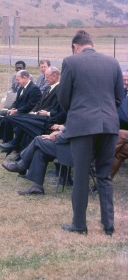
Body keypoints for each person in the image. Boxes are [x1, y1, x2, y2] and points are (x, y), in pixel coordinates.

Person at [58, 30, 123, 236]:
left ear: (75, 47)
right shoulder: (113, 63)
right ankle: (108, 225)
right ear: (91, 44)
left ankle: (79, 224)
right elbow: (119, 97)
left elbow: (64, 98)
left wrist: (77, 112)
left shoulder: (71, 62)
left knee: (81, 175)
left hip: (82, 125)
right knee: (104, 175)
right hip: (109, 125)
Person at [1, 125, 69, 195]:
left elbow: (74, 133)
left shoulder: (78, 114)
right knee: (40, 152)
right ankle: (37, 187)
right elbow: (72, 128)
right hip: (68, 146)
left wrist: (56, 137)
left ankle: (20, 166)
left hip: (71, 151)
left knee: (38, 140)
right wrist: (62, 130)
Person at [0, 70, 42, 151]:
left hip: (27, 113)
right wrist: (12, 109)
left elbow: (30, 105)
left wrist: (17, 110)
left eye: (18, 79)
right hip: (19, 111)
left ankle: (12, 144)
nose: (17, 82)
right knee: (0, 115)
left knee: (9, 118)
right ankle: (5, 140)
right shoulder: (21, 88)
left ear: (24, 78)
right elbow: (16, 101)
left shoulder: (34, 89)